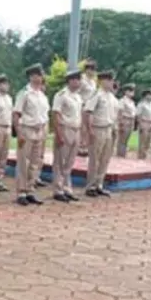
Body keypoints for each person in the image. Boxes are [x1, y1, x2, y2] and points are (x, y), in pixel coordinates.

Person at [13, 64, 50, 206]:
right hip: (27, 129)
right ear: (31, 77)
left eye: (41, 75)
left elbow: (45, 115)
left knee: (35, 162)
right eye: (37, 75)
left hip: (39, 130)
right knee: (24, 162)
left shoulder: (42, 95)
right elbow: (16, 114)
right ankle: (21, 191)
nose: (40, 78)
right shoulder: (24, 93)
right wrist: (19, 133)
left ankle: (30, 190)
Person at [83, 70, 119, 197]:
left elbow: (114, 116)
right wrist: (90, 130)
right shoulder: (96, 95)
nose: (111, 83)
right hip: (98, 129)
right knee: (95, 159)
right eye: (109, 80)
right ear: (102, 81)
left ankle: (99, 184)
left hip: (109, 129)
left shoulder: (112, 98)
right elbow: (88, 112)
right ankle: (90, 186)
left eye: (112, 80)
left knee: (105, 158)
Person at [51, 69, 83, 203]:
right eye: (76, 79)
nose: (78, 82)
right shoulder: (61, 95)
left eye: (79, 79)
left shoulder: (78, 96)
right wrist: (58, 134)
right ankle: (58, 189)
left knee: (70, 162)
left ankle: (67, 188)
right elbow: (56, 115)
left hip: (76, 129)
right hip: (65, 128)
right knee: (60, 161)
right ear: (70, 81)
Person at [77, 59, 98, 155]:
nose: (93, 71)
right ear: (86, 70)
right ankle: (80, 147)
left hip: (91, 107)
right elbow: (77, 93)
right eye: (91, 69)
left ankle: (86, 146)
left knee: (90, 127)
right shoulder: (82, 80)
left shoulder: (93, 82)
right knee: (82, 128)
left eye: (94, 69)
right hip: (83, 105)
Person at [116, 84, 137, 157]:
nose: (132, 92)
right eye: (130, 91)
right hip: (125, 120)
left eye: (133, 91)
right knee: (122, 140)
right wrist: (121, 123)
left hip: (131, 121)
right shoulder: (122, 100)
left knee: (126, 140)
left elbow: (134, 113)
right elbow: (120, 112)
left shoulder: (132, 102)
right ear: (126, 91)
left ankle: (123, 155)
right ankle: (120, 155)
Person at [135, 89, 151, 160]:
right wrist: (140, 125)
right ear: (145, 95)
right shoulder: (141, 104)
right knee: (142, 142)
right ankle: (140, 157)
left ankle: (144, 156)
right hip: (144, 123)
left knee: (148, 142)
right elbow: (138, 116)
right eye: (150, 94)